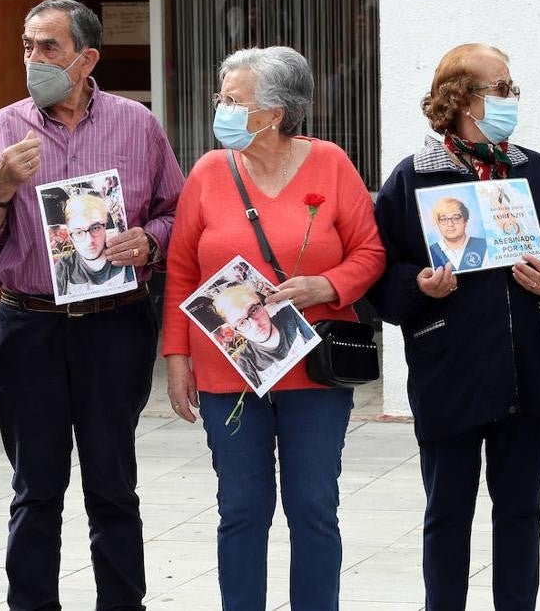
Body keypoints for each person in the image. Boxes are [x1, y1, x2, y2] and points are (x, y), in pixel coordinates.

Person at [0, 0, 184, 611]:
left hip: (113, 325)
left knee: (113, 485)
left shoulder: (138, 124)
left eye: (48, 47)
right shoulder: (6, 127)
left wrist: (149, 241)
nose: (33, 59)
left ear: (87, 60)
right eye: (27, 46)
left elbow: (176, 213)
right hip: (30, 325)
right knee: (36, 488)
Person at [369, 42, 540, 611]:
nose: (510, 99)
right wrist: (418, 287)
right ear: (461, 98)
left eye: (511, 88)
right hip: (450, 371)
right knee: (448, 512)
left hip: (527, 370)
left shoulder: (536, 172)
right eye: (501, 88)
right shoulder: (412, 180)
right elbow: (379, 277)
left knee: (522, 511)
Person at [162, 46, 384, 610]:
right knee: (240, 509)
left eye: (233, 100)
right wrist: (177, 358)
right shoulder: (210, 172)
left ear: (275, 114)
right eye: (221, 98)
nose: (221, 109)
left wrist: (325, 286)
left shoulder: (330, 163)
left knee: (313, 508)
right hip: (226, 370)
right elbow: (182, 270)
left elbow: (370, 250)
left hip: (312, 369)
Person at [211, 283, 313, 389]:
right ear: (237, 331)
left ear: (262, 305)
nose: (256, 325)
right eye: (241, 323)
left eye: (254, 310)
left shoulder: (291, 315)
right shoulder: (246, 362)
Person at [52, 192, 134, 296]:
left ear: (105, 227)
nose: (89, 240)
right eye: (78, 232)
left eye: (95, 228)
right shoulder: (63, 270)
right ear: (70, 236)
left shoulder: (124, 259)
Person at [427, 196, 486, 271]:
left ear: (465, 222)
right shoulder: (432, 251)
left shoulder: (485, 246)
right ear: (438, 223)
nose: (450, 224)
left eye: (455, 218)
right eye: (443, 219)